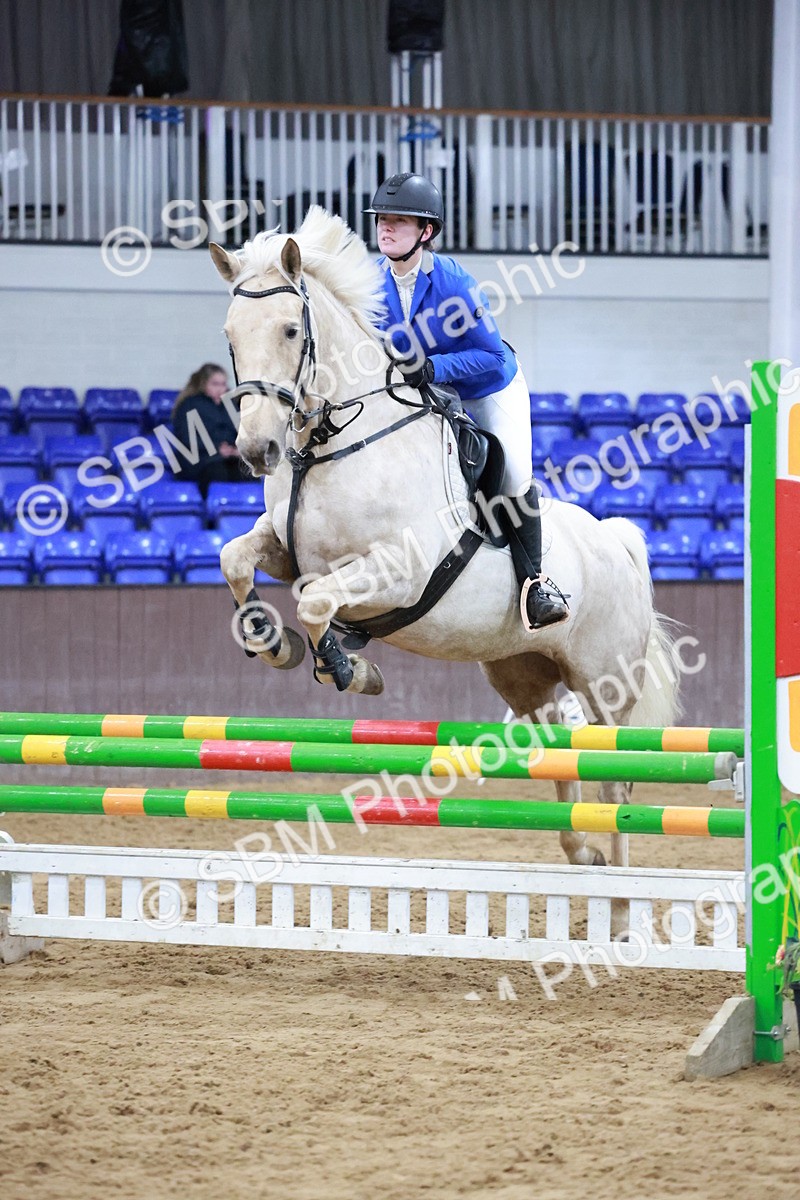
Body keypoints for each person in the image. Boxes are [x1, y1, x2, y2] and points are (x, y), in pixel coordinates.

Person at [364, 172, 568, 631]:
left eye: (400, 220)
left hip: (488, 389)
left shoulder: (455, 282)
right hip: (429, 396)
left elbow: (492, 355)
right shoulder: (371, 283)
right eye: (383, 218)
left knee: (514, 476)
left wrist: (435, 369)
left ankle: (536, 585)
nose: (386, 227)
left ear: (427, 232)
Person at [171, 363, 241, 497]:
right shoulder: (189, 404)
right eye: (215, 384)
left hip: (228, 457)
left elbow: (239, 431)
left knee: (245, 472)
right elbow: (186, 438)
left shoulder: (231, 404)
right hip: (200, 459)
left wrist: (237, 449)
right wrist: (217, 449)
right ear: (203, 384)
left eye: (223, 384)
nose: (221, 388)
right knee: (217, 471)